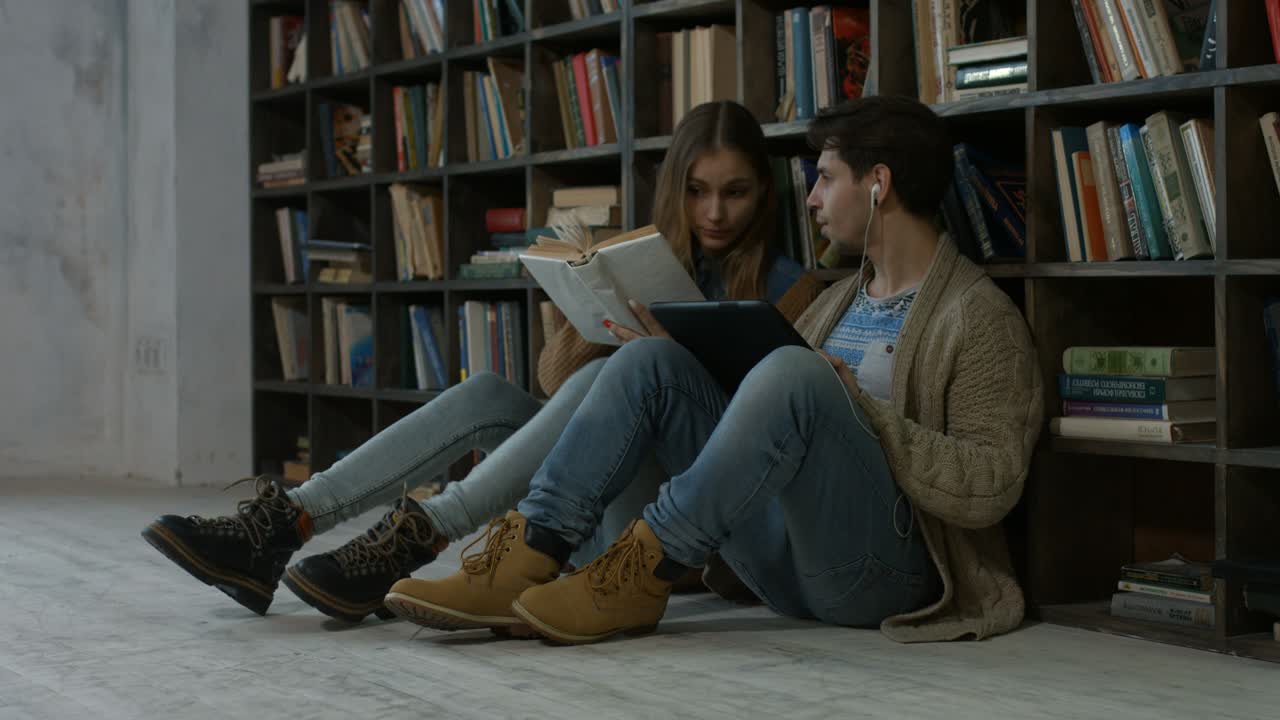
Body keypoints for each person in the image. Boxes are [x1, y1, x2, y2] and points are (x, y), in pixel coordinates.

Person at [384, 96, 1044, 645]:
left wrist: (859, 408)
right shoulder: (837, 302)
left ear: (878, 185)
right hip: (774, 564)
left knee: (795, 370)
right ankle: (531, 547)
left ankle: (644, 571)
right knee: (653, 358)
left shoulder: (977, 317)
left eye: (827, 177)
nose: (812, 198)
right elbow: (760, 438)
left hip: (879, 575)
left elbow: (991, 484)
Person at [140, 100, 823, 623]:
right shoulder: (647, 259)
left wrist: (663, 368)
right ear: (674, 188)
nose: (714, 211)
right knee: (494, 391)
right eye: (698, 190)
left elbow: (766, 442)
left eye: (735, 192)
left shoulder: (790, 286)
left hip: (674, 534)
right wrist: (586, 315)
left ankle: (419, 535)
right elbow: (555, 385)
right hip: (592, 497)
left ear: (764, 193)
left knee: (619, 375)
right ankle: (288, 521)